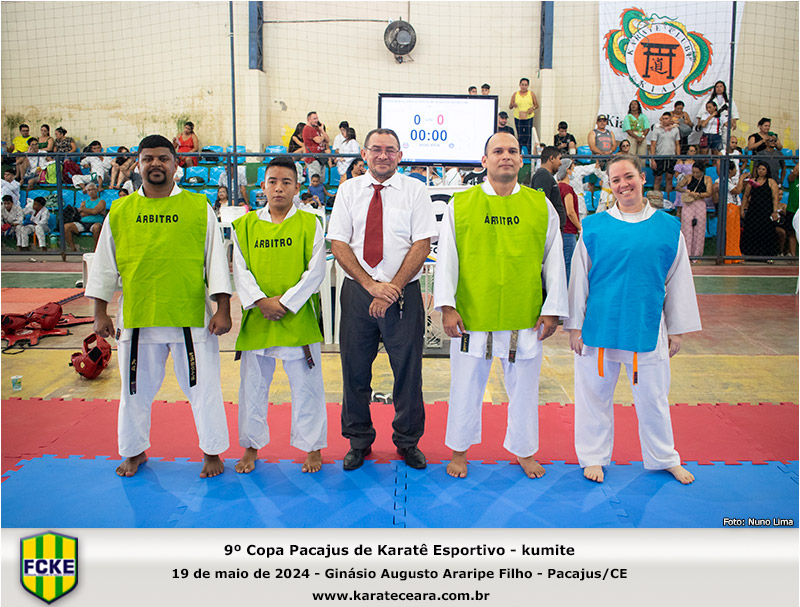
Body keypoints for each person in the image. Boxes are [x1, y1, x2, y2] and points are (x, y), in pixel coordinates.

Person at [86, 134, 231, 478]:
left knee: (204, 389)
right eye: (148, 158)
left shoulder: (198, 207)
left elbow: (215, 261)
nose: (155, 164)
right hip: (139, 315)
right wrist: (100, 311)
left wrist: (223, 309)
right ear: (137, 165)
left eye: (163, 158)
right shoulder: (121, 211)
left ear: (175, 164)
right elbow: (104, 264)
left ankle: (212, 451)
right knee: (134, 391)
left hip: (189, 315)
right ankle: (134, 451)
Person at [434, 132, 567, 479]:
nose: (505, 156)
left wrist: (552, 308)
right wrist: (447, 306)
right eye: (497, 151)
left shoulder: (540, 205)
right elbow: (447, 258)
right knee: (465, 386)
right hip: (472, 312)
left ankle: (525, 451)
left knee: (524, 389)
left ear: (521, 160)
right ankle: (459, 451)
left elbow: (554, 260)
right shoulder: (461, 204)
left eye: (512, 151)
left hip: (524, 312)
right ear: (484, 161)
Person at [566, 153, 701, 485]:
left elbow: (678, 280)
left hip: (646, 324)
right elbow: (579, 279)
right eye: (615, 180)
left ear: (642, 178)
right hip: (600, 326)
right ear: (610, 186)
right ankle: (593, 456)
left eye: (628, 176)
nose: (623, 184)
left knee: (653, 397)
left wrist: (677, 329)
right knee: (593, 395)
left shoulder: (668, 228)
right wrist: (574, 326)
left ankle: (663, 457)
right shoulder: (594, 228)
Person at [327, 128, 437, 471]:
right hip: (358, 293)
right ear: (364, 154)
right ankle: (358, 440)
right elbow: (338, 243)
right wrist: (371, 285)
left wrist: (392, 288)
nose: (383, 155)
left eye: (390, 150)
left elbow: (422, 243)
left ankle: (407, 441)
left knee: (408, 371)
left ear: (400, 156)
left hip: (403, 295)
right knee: (354, 370)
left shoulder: (416, 190)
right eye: (376, 149)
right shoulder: (348, 191)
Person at [231, 156, 327, 475]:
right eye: (272, 181)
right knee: (252, 388)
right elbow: (240, 269)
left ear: (297, 187)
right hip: (259, 317)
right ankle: (251, 447)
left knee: (307, 387)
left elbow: (316, 271)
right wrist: (261, 301)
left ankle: (312, 447)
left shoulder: (310, 223)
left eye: (286, 182)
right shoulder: (245, 226)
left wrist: (284, 303)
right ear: (263, 186)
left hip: (296, 318)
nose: (279, 188)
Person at [741, 161, 780, 258]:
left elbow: (775, 197)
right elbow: (746, 196)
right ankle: (750, 254)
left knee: (766, 232)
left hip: (766, 211)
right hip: (753, 211)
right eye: (759, 169)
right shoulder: (752, 181)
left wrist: (775, 211)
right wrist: (742, 209)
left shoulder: (771, 182)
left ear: (767, 171)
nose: (761, 171)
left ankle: (767, 255)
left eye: (763, 169)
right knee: (751, 231)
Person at [712, 159, 746, 263]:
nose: (736, 170)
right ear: (730, 171)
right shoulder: (723, 181)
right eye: (735, 169)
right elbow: (737, 191)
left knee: (735, 233)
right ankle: (729, 256)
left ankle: (735, 255)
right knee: (730, 233)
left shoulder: (729, 180)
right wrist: (741, 179)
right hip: (729, 207)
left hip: (734, 207)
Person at [676, 162, 711, 259]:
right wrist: (685, 191)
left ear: (702, 172)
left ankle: (697, 255)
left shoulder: (707, 179)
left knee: (700, 229)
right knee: (686, 227)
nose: (695, 174)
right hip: (689, 203)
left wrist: (699, 195)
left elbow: (709, 193)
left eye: (697, 172)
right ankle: (686, 254)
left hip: (700, 202)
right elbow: (678, 187)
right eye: (693, 172)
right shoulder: (688, 177)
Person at [529, 146, 566, 229]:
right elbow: (542, 203)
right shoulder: (543, 175)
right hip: (549, 228)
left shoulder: (546, 175)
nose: (560, 163)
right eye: (559, 159)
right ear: (551, 158)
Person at [558, 158, 581, 282]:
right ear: (568, 170)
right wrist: (579, 227)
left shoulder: (557, 186)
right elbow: (570, 211)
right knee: (568, 264)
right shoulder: (567, 189)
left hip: (561, 230)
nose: (574, 171)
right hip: (568, 230)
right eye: (572, 169)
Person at [648, 112, 681, 198]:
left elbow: (677, 144)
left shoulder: (675, 129)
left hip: (671, 157)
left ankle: (668, 199)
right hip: (659, 157)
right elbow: (653, 145)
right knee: (657, 179)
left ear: (670, 119)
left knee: (669, 178)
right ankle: (656, 199)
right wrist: (652, 159)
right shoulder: (657, 129)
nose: (664, 120)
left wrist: (678, 157)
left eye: (666, 118)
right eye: (663, 119)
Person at [65, 182, 106, 251]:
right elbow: (82, 214)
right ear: (87, 192)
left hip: (95, 222)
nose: (91, 192)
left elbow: (94, 211)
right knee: (66, 227)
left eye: (93, 189)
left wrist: (85, 210)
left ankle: (96, 249)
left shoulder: (101, 201)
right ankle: (73, 249)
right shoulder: (84, 202)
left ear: (96, 190)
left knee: (97, 227)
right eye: (89, 190)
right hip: (83, 222)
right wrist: (95, 212)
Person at [509, 78, 538, 153]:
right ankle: (519, 152)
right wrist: (513, 104)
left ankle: (529, 153)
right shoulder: (515, 94)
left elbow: (536, 105)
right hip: (518, 117)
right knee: (520, 135)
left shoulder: (531, 94)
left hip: (528, 117)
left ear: (528, 86)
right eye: (522, 85)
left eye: (525, 85)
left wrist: (532, 108)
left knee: (528, 135)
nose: (524, 87)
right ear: (519, 85)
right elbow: (510, 106)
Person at [672, 144, 699, 219]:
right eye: (691, 151)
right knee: (680, 209)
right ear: (687, 152)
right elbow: (676, 175)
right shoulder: (681, 162)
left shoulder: (696, 163)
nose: (693, 153)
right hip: (683, 187)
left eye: (694, 151)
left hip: (692, 186)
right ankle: (678, 224)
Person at [302, 112, 330, 180]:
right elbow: (318, 140)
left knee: (321, 179)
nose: (316, 120)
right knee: (315, 180)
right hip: (313, 159)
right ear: (309, 119)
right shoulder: (307, 129)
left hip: (321, 157)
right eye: (314, 119)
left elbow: (327, 140)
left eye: (317, 118)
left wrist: (322, 130)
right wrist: (322, 137)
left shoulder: (318, 128)